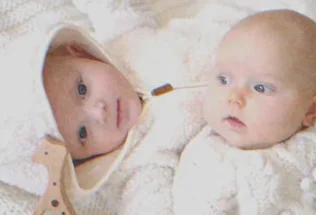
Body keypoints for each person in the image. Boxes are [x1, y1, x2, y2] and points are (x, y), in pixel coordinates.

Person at [0, 0, 210, 214]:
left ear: (79, 52)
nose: (99, 112)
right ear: (84, 161)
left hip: (228, 30)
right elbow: (148, 204)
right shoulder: (136, 165)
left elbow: (110, 5)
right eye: (83, 133)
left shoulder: (123, 37)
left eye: (82, 89)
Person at [173, 9, 316, 214]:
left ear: (312, 109)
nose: (234, 98)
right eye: (223, 80)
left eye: (260, 88)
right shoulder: (205, 159)